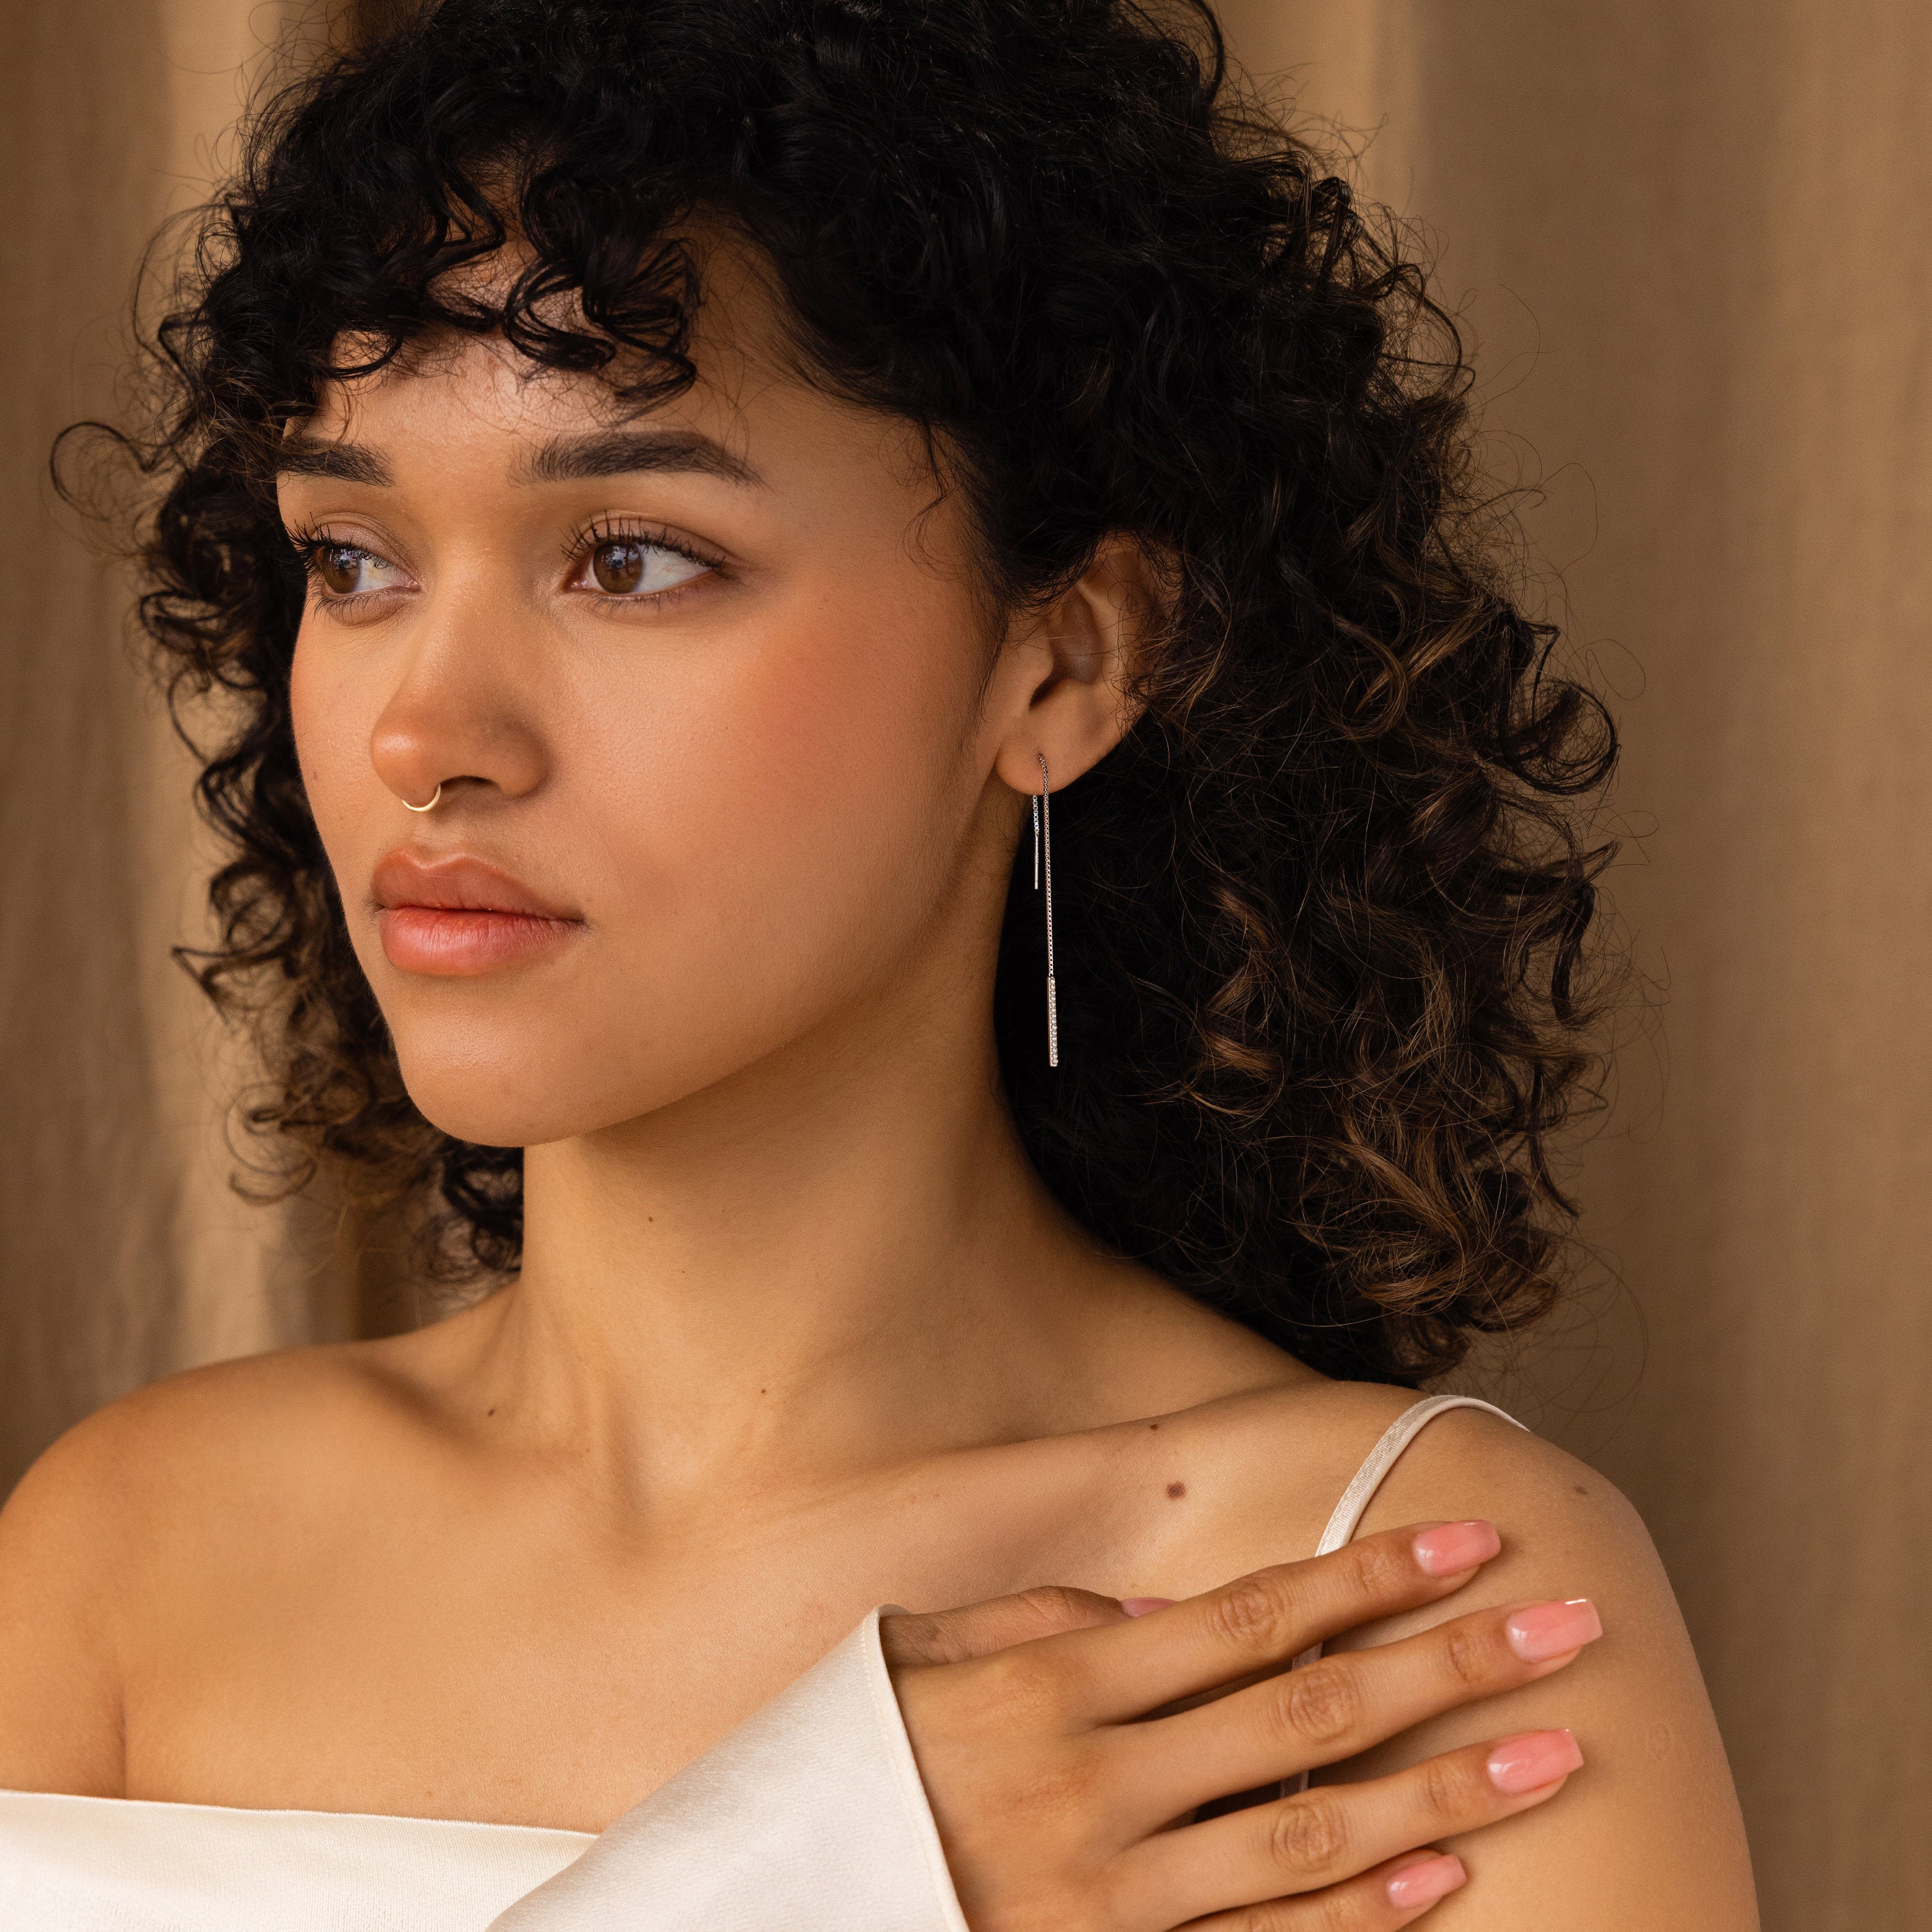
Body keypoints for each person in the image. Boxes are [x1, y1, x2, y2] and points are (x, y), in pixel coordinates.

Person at [0, 0, 1759, 1925]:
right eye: (355, 559)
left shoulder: (1387, 1623)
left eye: (632, 557)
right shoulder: (128, 1555)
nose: (431, 731)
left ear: (1067, 661)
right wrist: (813, 1869)